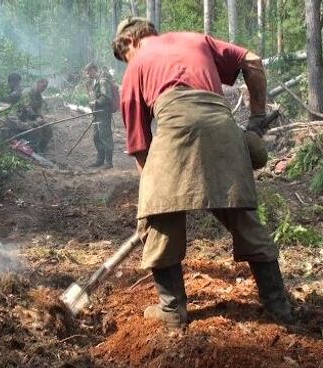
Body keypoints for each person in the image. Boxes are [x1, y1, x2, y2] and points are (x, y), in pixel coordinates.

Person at [111, 17, 293, 329]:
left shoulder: (137, 63)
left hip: (176, 129)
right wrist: (257, 117)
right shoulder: (196, 39)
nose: (126, 60)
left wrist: (154, 198)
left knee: (159, 219)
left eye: (123, 55)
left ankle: (172, 311)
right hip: (221, 126)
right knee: (244, 220)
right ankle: (279, 306)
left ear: (128, 42)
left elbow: (140, 145)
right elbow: (252, 61)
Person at [84, 62, 115, 169]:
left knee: (105, 136)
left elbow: (107, 97)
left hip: (103, 113)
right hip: (97, 113)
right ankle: (100, 160)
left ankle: (108, 162)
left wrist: (95, 102)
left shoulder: (103, 81)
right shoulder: (96, 81)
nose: (88, 75)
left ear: (93, 69)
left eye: (88, 72)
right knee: (96, 137)